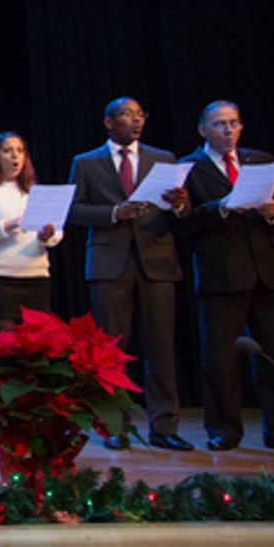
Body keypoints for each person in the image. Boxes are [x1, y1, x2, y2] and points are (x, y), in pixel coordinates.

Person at [180, 100, 274, 454]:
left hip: (266, 271)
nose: (228, 130)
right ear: (203, 129)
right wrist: (221, 208)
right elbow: (183, 223)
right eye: (219, 124)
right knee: (220, 358)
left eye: (233, 123)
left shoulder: (260, 160)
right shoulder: (188, 168)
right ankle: (224, 429)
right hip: (221, 273)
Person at [68, 97, 192, 451]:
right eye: (127, 115)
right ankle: (114, 426)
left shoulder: (164, 159)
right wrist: (113, 213)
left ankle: (164, 426)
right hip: (111, 261)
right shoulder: (87, 162)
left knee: (161, 346)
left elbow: (182, 213)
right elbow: (73, 210)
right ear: (109, 122)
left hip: (156, 259)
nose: (136, 121)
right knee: (111, 351)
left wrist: (181, 203)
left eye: (140, 115)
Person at [0, 131, 63, 331]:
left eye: (20, 151)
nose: (15, 156)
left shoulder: (36, 193)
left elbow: (57, 232)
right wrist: (6, 225)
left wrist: (47, 236)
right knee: (6, 347)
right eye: (7, 151)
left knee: (35, 349)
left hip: (36, 280)